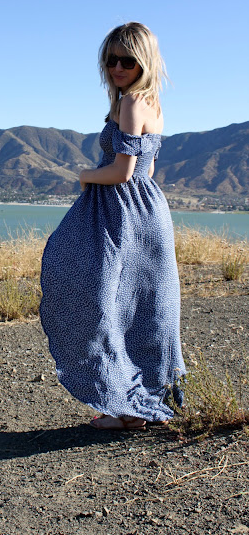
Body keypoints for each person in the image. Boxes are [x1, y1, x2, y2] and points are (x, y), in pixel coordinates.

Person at [39, 22, 186, 430]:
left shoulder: (131, 103)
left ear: (144, 62)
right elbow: (147, 169)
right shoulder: (152, 103)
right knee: (144, 308)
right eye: (111, 59)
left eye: (127, 60)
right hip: (148, 210)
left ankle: (127, 407)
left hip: (122, 212)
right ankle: (139, 403)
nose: (117, 67)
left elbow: (123, 172)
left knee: (104, 303)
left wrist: (85, 175)